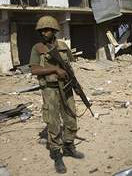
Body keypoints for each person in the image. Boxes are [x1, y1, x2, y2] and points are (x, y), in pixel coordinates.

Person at [29, 15, 84, 174]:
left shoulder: (63, 46)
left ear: (54, 31)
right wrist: (53, 69)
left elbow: (69, 67)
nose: (44, 33)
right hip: (50, 89)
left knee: (71, 117)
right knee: (53, 121)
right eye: (42, 30)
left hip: (66, 87)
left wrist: (76, 85)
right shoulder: (37, 48)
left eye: (47, 30)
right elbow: (34, 70)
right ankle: (56, 153)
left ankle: (68, 146)